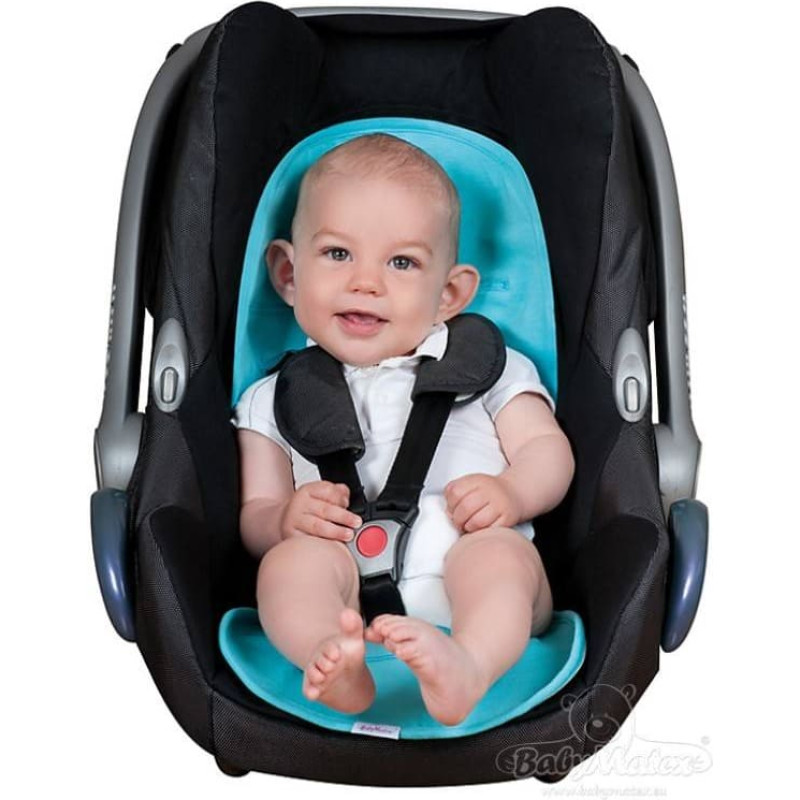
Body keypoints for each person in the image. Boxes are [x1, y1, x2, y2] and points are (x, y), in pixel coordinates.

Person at [231, 133, 575, 726]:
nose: (366, 282)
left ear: (449, 294)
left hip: (468, 560)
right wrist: (285, 519)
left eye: (402, 263)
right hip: (344, 590)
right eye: (338, 253)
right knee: (286, 567)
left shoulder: (488, 369)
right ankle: (331, 657)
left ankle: (469, 663)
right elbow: (256, 512)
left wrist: (513, 493)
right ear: (288, 273)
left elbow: (547, 450)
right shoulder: (273, 398)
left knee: (500, 558)